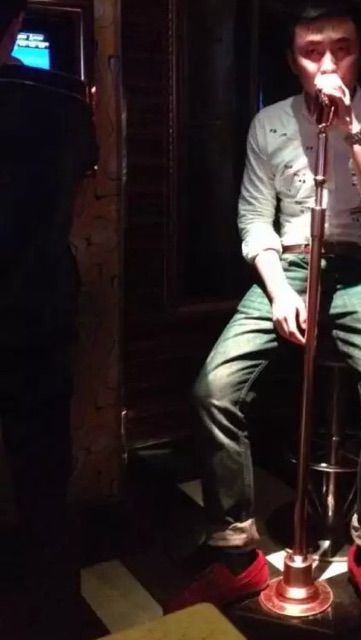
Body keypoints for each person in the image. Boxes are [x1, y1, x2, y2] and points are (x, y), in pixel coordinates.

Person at [169, 1, 361, 636]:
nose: (328, 63)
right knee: (213, 389)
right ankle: (236, 552)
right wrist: (279, 290)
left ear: (360, 53)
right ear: (292, 60)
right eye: (312, 51)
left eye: (342, 48)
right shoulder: (270, 123)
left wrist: (352, 130)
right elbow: (255, 218)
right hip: (290, 266)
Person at [0, 2, 96, 637]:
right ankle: (56, 613)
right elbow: (80, 196)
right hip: (36, 303)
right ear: (14, 26)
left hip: (34, 301)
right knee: (43, 481)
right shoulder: (64, 99)